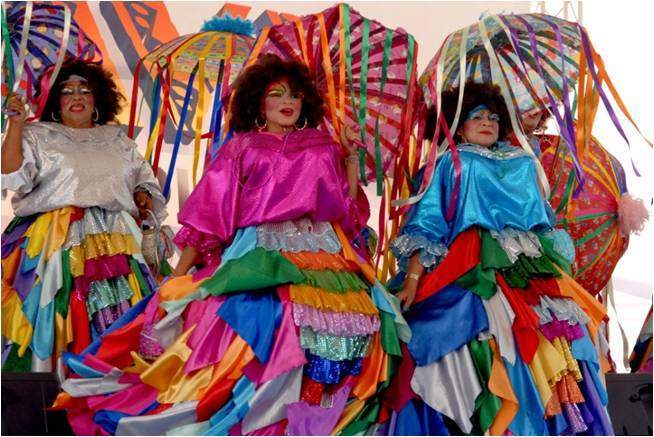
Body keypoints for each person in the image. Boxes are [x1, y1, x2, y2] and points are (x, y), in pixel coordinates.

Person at [53, 54, 406, 436]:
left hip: (324, 251)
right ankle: (264, 416)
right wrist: (179, 277)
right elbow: (210, 215)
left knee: (357, 328)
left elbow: (346, 212)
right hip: (260, 250)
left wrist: (351, 165)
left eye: (295, 95)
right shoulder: (243, 147)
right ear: (258, 102)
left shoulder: (323, 146)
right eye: (276, 94)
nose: (288, 101)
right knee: (261, 327)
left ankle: (318, 417)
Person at [384, 82, 613, 435]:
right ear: (458, 125)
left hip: (529, 262)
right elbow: (427, 224)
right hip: (469, 262)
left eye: (493, 116)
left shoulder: (523, 161)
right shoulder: (449, 162)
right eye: (478, 116)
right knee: (463, 336)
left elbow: (543, 219)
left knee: (568, 335)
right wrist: (413, 280)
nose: (487, 122)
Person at [1, 60, 166, 373]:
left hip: (117, 240)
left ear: (97, 99)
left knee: (124, 323)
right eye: (66, 91)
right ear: (54, 101)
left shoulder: (118, 139)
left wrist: (143, 195)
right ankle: (53, 391)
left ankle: (112, 390)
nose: (76, 96)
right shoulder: (37, 134)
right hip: (55, 242)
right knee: (58, 314)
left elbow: (143, 181)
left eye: (85, 90)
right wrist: (17, 126)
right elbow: (10, 172)